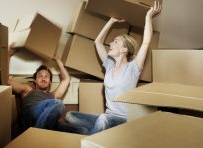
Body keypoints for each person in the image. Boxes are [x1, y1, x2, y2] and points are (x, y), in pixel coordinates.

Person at [63, 1, 162, 135]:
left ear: (124, 49)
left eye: (115, 42)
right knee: (70, 116)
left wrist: (148, 17)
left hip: (123, 119)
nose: (110, 43)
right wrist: (111, 21)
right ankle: (92, 134)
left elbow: (146, 42)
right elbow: (98, 42)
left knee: (102, 119)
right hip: (108, 117)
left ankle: (89, 140)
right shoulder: (109, 65)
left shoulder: (133, 68)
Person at [7, 43, 71, 131]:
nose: (43, 78)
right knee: (58, 103)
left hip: (48, 122)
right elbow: (6, 81)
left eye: (47, 76)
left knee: (81, 130)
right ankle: (37, 135)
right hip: (30, 117)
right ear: (35, 81)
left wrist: (58, 61)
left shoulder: (53, 95)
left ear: (50, 82)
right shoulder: (28, 90)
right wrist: (8, 55)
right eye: (40, 76)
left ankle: (41, 133)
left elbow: (66, 79)